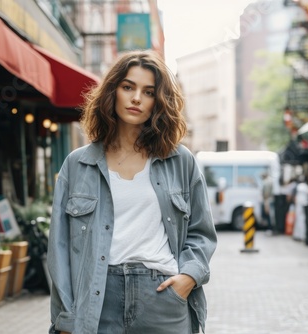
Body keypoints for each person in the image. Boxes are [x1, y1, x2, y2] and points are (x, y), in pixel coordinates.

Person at [47, 50, 218, 334]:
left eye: (148, 92)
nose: (136, 97)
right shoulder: (78, 165)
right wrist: (67, 318)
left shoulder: (180, 161)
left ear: (158, 102)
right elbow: (60, 249)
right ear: (112, 92)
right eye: (128, 87)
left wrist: (188, 276)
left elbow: (201, 232)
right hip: (98, 301)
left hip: (162, 296)